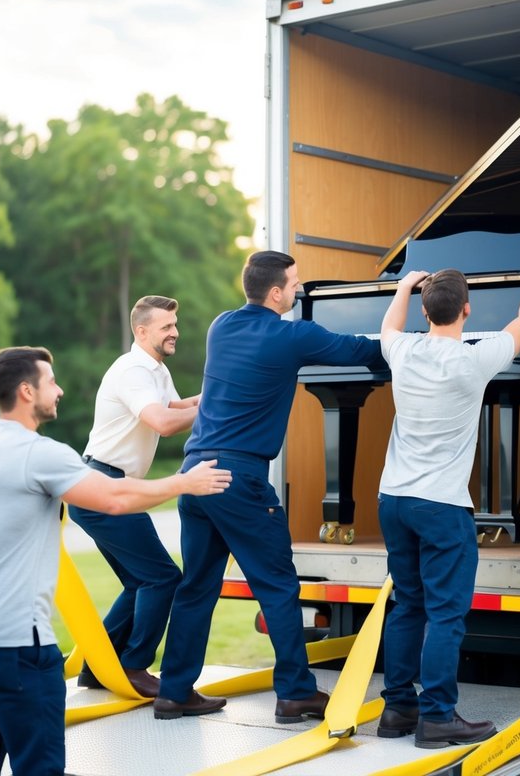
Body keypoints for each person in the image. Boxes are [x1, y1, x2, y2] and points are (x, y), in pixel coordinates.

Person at [0, 346, 231, 776]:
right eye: (50, 382)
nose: (58, 391)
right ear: (26, 391)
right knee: (39, 766)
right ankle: (129, 662)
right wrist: (184, 482)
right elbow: (113, 498)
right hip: (16, 642)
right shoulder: (39, 452)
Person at [155, 250, 382, 721]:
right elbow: (357, 350)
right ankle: (296, 693)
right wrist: (412, 342)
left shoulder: (222, 325)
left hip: (195, 472)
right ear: (276, 291)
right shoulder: (292, 335)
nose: (299, 290)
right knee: (277, 584)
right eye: (294, 283)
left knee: (196, 587)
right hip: (238, 479)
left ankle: (174, 692)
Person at [373, 258, 520, 748]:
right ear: (466, 310)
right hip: (440, 506)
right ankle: (438, 716)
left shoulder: (402, 351)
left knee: (407, 604)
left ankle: (398, 708)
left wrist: (402, 287)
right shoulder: (474, 360)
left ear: (425, 312)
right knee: (445, 613)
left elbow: (388, 325)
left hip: (393, 499)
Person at [69, 295, 201, 697]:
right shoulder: (132, 371)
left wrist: (220, 391)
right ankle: (133, 664)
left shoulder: (155, 369)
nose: (175, 332)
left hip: (110, 483)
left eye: (175, 324)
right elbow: (163, 422)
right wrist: (214, 407)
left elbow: (178, 405)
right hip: (104, 486)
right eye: (166, 327)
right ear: (142, 331)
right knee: (162, 578)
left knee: (139, 581)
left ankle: (98, 665)